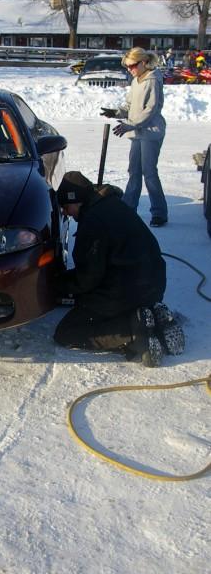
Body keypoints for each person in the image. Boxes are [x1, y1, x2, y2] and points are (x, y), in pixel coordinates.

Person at [53, 171, 184, 367]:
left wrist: (58, 284)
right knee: (98, 299)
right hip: (154, 285)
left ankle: (134, 332)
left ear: (77, 200)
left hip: (126, 291)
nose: (65, 213)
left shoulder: (92, 222)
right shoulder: (114, 205)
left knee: (67, 333)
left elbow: (88, 278)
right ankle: (151, 316)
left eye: (65, 206)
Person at [100, 46, 168, 227]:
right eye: (128, 67)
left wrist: (130, 124)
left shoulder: (153, 80)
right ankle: (128, 208)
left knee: (149, 173)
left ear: (144, 62)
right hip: (137, 132)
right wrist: (115, 112)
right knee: (134, 171)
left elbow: (151, 110)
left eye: (133, 66)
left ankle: (159, 213)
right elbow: (130, 105)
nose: (130, 70)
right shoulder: (137, 80)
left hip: (151, 132)